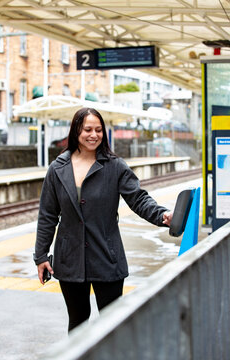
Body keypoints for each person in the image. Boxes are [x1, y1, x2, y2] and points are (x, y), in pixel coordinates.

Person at [34, 107, 172, 332]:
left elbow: (138, 199)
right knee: (77, 324)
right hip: (69, 260)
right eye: (87, 129)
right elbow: (47, 215)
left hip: (107, 257)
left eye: (98, 130)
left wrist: (163, 215)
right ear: (76, 131)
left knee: (112, 327)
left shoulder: (114, 166)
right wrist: (40, 256)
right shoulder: (57, 169)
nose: (93, 135)